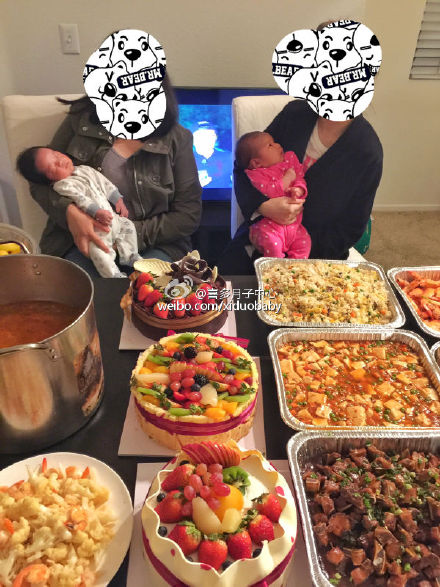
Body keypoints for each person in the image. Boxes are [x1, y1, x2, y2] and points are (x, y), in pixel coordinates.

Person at [27, 74, 202, 275]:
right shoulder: (81, 119)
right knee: (83, 291)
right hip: (79, 240)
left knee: (147, 291)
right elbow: (39, 180)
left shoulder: (178, 139)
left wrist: (124, 233)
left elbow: (188, 215)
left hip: (156, 243)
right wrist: (70, 213)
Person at [221, 98, 383, 274]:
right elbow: (245, 165)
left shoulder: (367, 151)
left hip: (317, 256)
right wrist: (263, 206)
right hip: (260, 237)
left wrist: (294, 259)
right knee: (222, 283)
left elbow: (351, 227)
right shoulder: (295, 113)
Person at [17, 146, 142, 277]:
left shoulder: (85, 169)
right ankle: (114, 275)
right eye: (53, 166)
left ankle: (130, 255)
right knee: (99, 252)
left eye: (55, 154)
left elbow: (104, 183)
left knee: (128, 225)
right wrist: (96, 212)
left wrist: (118, 200)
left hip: (113, 219)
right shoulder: (63, 185)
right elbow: (81, 200)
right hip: (96, 229)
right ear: (50, 179)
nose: (59, 161)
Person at [235, 131, 310, 259]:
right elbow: (269, 191)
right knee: (272, 245)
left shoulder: (288, 161)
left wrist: (299, 189)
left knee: (305, 243)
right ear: (256, 163)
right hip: (268, 227)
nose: (278, 145)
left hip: (293, 226)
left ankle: (295, 268)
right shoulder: (257, 174)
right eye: (270, 145)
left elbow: (300, 177)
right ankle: (275, 268)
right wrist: (287, 179)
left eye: (274, 142)